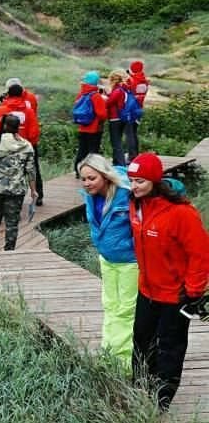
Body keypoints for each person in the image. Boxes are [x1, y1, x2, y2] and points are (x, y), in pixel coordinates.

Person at [126, 152, 209, 411]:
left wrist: (194, 293)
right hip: (147, 290)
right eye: (131, 180)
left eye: (140, 181)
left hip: (176, 295)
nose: (134, 186)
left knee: (170, 348)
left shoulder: (180, 213)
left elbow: (200, 254)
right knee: (141, 340)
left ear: (154, 180)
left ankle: (161, 401)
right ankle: (140, 388)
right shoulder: (135, 204)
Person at [78, 153, 137, 363]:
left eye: (92, 178)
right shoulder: (89, 196)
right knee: (110, 305)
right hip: (107, 259)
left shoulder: (126, 193)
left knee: (126, 310)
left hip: (130, 262)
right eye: (83, 179)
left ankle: (123, 361)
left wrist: (132, 248)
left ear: (104, 175)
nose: (87, 183)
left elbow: (139, 225)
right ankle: (109, 350)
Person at [0, 114, 36, 251]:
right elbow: (31, 171)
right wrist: (33, 190)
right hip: (17, 190)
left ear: (5, 126)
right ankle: (9, 250)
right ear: (18, 127)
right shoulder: (27, 145)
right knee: (12, 222)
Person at [0, 82, 43, 204]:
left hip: (5, 148)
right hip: (25, 146)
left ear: (8, 95)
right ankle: (38, 196)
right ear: (22, 95)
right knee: (33, 170)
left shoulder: (0, 111)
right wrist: (31, 144)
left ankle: (7, 198)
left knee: (6, 173)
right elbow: (34, 132)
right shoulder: (29, 111)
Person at [72, 71, 108, 173]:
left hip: (82, 127)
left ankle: (78, 170)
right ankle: (92, 171)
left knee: (82, 150)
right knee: (93, 152)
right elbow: (102, 114)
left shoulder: (81, 94)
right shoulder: (95, 96)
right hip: (94, 128)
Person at [104, 70, 129, 167]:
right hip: (121, 118)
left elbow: (108, 103)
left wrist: (104, 97)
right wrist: (108, 94)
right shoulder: (123, 89)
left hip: (115, 119)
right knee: (117, 141)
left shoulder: (118, 90)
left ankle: (121, 165)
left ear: (113, 80)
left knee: (116, 142)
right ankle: (116, 162)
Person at [125, 59, 149, 156]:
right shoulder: (145, 82)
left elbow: (127, 91)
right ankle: (135, 153)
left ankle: (132, 155)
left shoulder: (131, 80)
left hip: (130, 110)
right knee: (134, 132)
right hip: (139, 108)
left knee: (129, 133)